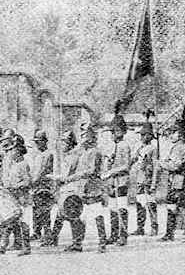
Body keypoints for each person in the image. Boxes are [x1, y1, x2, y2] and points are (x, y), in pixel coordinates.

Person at [53, 123, 107, 253]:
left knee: (97, 214)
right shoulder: (84, 152)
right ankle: (77, 243)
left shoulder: (94, 151)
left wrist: (72, 177)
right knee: (80, 216)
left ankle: (102, 242)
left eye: (84, 135)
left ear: (90, 137)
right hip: (83, 187)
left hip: (92, 187)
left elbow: (91, 170)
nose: (82, 139)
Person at [0, 134, 32, 256]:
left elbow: (27, 181)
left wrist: (15, 186)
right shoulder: (12, 164)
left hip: (22, 197)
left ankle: (26, 247)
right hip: (12, 196)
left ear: (19, 150)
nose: (10, 152)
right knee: (8, 221)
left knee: (23, 223)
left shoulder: (23, 164)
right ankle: (3, 246)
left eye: (13, 150)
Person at [158, 105, 185, 242]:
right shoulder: (178, 147)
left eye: (173, 132)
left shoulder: (181, 148)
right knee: (172, 206)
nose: (171, 135)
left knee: (182, 207)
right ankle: (170, 232)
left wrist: (162, 164)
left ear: (180, 134)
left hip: (180, 180)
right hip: (175, 181)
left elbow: (176, 165)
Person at [102, 101, 132, 246]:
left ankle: (123, 235)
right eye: (112, 131)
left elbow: (126, 165)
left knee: (121, 208)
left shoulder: (124, 145)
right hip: (112, 182)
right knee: (112, 208)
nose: (113, 134)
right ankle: (113, 234)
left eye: (115, 131)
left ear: (121, 131)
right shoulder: (112, 145)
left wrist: (110, 172)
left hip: (121, 181)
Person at [50, 131, 83, 250]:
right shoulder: (70, 156)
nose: (61, 146)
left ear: (69, 144)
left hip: (71, 190)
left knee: (72, 216)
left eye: (64, 143)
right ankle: (53, 239)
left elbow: (65, 177)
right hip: (68, 190)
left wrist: (53, 177)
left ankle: (77, 243)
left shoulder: (71, 157)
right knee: (61, 215)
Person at [129, 111, 159, 236]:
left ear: (149, 136)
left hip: (147, 179)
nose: (141, 137)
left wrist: (153, 183)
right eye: (141, 135)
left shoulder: (153, 149)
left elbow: (156, 166)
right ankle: (140, 227)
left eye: (144, 135)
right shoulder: (139, 147)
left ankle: (154, 227)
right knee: (139, 204)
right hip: (139, 179)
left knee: (150, 203)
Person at [29, 130, 54, 244]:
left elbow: (42, 172)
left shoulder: (48, 154)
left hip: (44, 187)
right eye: (36, 142)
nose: (37, 144)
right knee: (36, 211)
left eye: (39, 142)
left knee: (44, 212)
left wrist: (32, 182)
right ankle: (36, 232)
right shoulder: (38, 155)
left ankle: (48, 236)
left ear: (45, 142)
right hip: (36, 187)